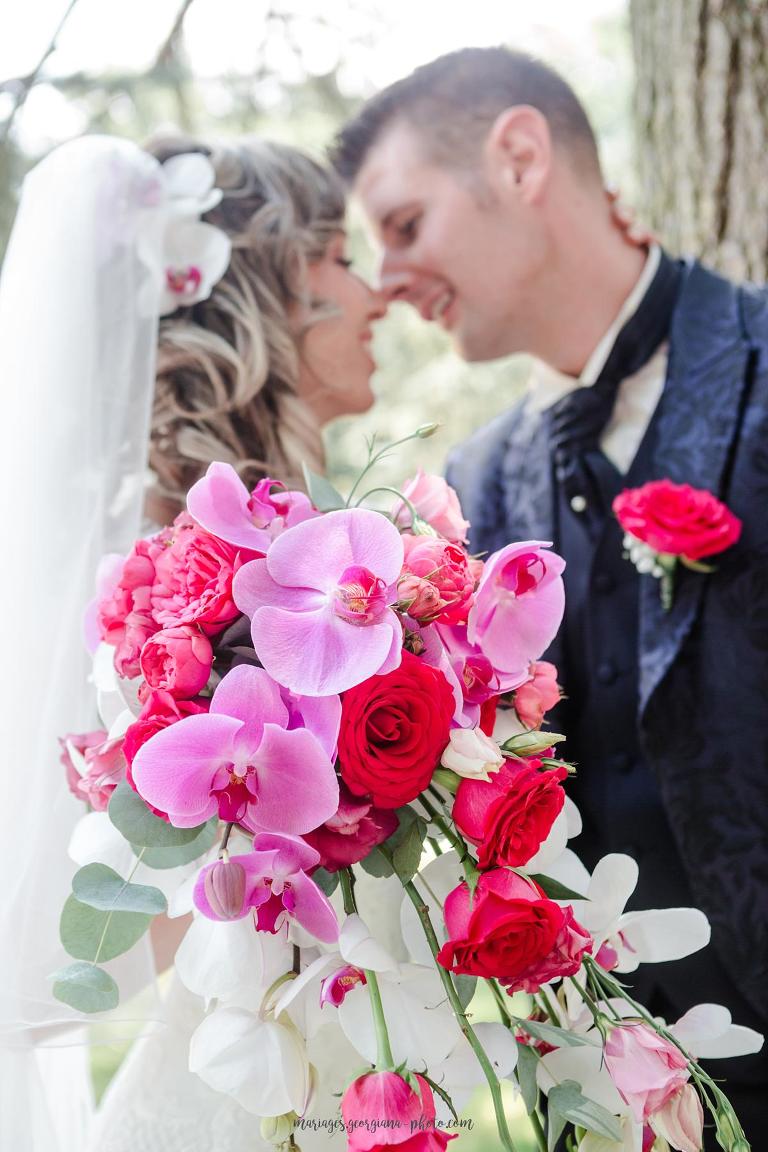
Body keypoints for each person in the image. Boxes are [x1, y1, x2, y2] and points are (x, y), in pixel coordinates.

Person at [331, 45, 767, 1142]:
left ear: (519, 158)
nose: (385, 280)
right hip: (616, 1095)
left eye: (404, 224)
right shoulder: (471, 493)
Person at [0, 131, 386, 1152]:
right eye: (340, 256)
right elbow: (42, 952)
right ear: (263, 291)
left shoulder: (291, 564)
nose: (375, 291)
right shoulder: (151, 586)